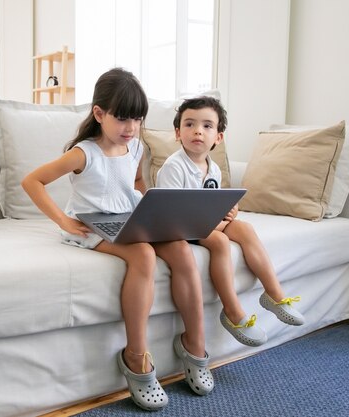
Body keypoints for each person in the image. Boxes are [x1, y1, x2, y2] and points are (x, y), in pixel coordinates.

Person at [22, 68, 214, 411]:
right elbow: (32, 181)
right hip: (95, 224)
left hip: (132, 217)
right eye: (123, 119)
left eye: (137, 119)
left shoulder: (136, 146)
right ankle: (135, 355)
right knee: (142, 254)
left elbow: (136, 182)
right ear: (99, 114)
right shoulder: (84, 153)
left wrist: (151, 205)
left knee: (183, 250)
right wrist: (64, 220)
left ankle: (195, 344)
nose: (131, 128)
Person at [156, 96, 305, 347]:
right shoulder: (174, 167)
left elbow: (210, 201)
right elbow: (171, 213)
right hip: (179, 229)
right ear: (178, 132)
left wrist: (227, 209)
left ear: (218, 137)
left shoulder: (212, 168)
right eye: (189, 124)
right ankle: (233, 312)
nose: (197, 131)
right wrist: (212, 222)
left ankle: (274, 295)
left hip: (203, 223)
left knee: (244, 228)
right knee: (219, 241)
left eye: (207, 126)